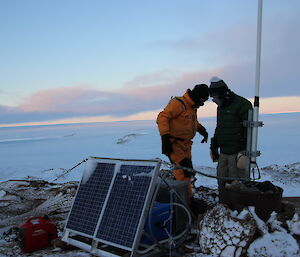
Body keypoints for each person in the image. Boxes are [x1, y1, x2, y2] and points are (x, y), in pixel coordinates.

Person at [156, 84, 209, 198]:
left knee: (187, 171)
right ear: (197, 96)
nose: (202, 104)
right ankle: (185, 203)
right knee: (183, 173)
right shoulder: (179, 103)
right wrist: (165, 138)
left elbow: (190, 121)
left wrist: (201, 129)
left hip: (186, 145)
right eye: (202, 100)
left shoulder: (192, 107)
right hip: (174, 144)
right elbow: (162, 117)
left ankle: (186, 198)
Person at [209, 76, 253, 188]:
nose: (214, 100)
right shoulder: (221, 106)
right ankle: (224, 203)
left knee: (237, 184)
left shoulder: (242, 104)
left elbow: (249, 129)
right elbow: (220, 126)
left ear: (222, 93)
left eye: (215, 97)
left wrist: (244, 150)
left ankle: (238, 205)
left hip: (237, 153)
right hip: (224, 152)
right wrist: (214, 145)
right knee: (222, 180)